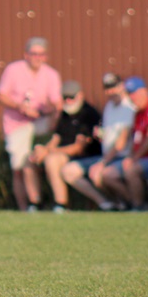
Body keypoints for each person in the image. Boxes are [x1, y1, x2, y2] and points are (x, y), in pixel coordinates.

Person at [0, 37, 63, 211]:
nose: (37, 58)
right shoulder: (13, 70)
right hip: (16, 124)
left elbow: (57, 103)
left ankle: (51, 202)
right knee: (19, 167)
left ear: (46, 56)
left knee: (40, 162)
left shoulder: (51, 75)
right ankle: (25, 208)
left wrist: (47, 110)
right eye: (34, 54)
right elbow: (1, 95)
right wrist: (20, 107)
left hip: (42, 124)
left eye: (41, 54)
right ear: (26, 55)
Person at [62, 73, 135, 211]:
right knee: (69, 171)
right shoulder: (109, 106)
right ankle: (106, 203)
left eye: (113, 87)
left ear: (122, 86)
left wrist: (102, 163)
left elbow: (120, 144)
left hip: (120, 157)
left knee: (99, 175)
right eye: (107, 88)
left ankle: (133, 205)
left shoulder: (128, 107)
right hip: (106, 156)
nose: (110, 91)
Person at [28, 80, 101, 212]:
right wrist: (43, 150)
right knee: (30, 161)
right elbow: (56, 138)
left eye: (71, 97)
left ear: (80, 95)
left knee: (52, 160)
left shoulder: (88, 114)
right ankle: (35, 203)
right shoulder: (64, 114)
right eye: (65, 98)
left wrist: (50, 152)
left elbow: (78, 148)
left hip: (84, 157)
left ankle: (61, 203)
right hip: (61, 153)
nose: (68, 101)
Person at [99, 76, 148, 211]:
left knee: (131, 170)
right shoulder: (137, 113)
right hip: (141, 157)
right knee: (107, 175)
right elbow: (135, 140)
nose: (132, 97)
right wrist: (130, 157)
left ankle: (139, 206)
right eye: (129, 94)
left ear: (144, 91)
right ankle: (133, 203)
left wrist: (134, 158)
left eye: (134, 93)